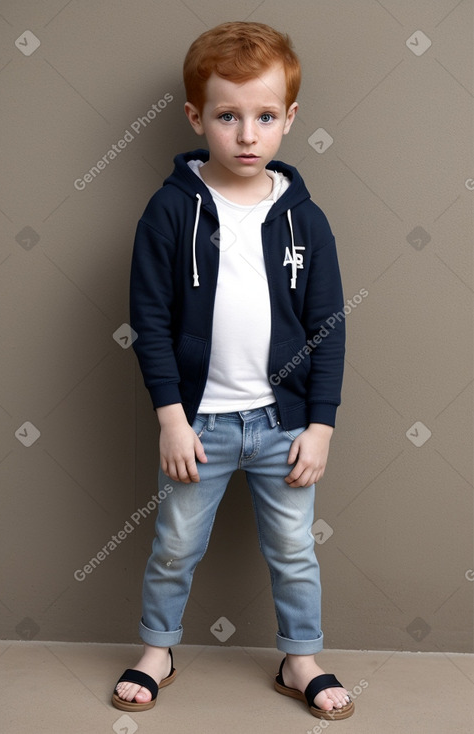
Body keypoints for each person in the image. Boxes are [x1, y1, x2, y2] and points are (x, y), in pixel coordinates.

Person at [111, 21, 354, 721]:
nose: (247, 135)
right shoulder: (167, 213)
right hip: (200, 425)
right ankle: (158, 650)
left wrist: (320, 425)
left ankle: (298, 657)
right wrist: (170, 417)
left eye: (264, 116)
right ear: (196, 117)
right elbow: (148, 324)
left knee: (294, 552)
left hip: (282, 427)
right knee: (174, 546)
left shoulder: (304, 220)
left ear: (288, 119)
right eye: (227, 116)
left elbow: (328, 327)